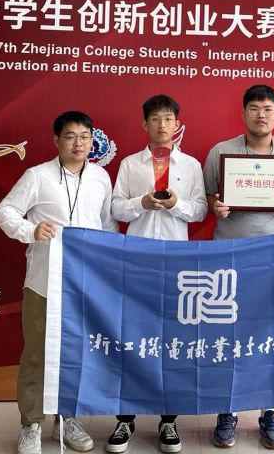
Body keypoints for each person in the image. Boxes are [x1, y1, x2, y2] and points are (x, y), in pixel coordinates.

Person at [203, 84, 274, 449]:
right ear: (243, 113)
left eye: (267, 109)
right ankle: (228, 409)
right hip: (231, 257)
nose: (261, 115)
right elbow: (208, 195)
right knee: (230, 334)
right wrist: (216, 205)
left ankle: (270, 410)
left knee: (272, 334)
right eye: (254, 108)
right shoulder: (221, 152)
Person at [0, 111, 117, 454]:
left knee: (77, 353)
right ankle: (31, 424)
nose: (78, 143)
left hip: (86, 283)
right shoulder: (37, 175)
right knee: (37, 353)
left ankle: (67, 419)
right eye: (70, 136)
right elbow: (4, 211)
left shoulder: (101, 177)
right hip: (44, 281)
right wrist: (30, 230)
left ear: (92, 141)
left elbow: (107, 225)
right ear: (56, 140)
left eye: (84, 137)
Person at [103, 94, 207, 454]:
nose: (162, 125)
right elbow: (116, 208)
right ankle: (124, 419)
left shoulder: (190, 165)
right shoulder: (130, 164)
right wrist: (140, 203)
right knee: (131, 338)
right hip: (137, 260)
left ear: (177, 124)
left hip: (176, 262)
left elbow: (200, 211)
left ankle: (168, 419)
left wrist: (176, 204)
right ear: (144, 124)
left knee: (172, 340)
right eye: (155, 119)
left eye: (168, 118)